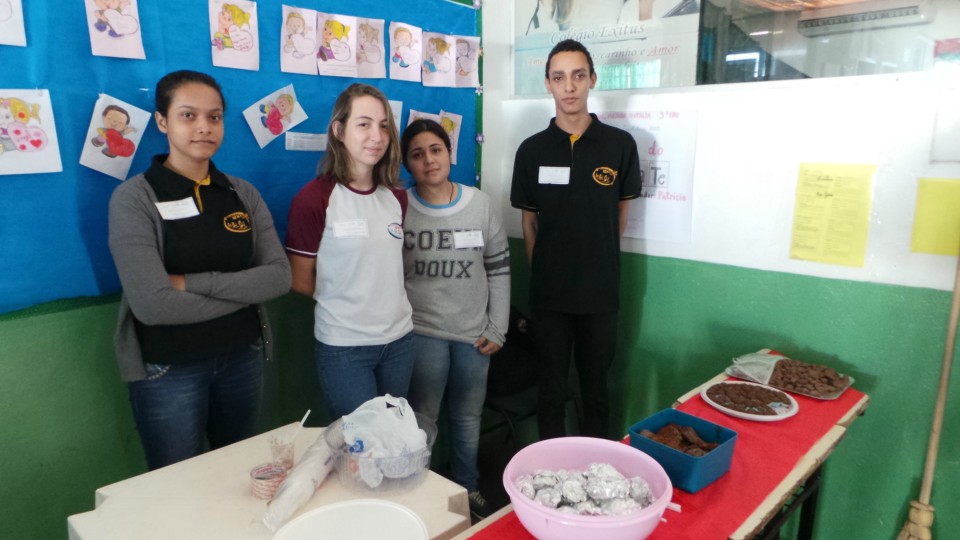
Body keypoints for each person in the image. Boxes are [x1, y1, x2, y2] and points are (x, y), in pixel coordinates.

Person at [107, 70, 291, 470]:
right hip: (170, 369)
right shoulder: (134, 199)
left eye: (215, 116)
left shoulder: (242, 193)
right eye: (188, 116)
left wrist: (190, 284)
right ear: (162, 122)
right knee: (176, 484)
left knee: (242, 474)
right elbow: (153, 305)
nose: (204, 127)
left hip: (243, 356)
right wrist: (243, 295)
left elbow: (279, 276)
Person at [510, 39, 641, 440]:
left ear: (592, 80)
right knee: (551, 390)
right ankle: (550, 476)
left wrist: (592, 260)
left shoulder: (620, 145)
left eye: (578, 76)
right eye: (559, 77)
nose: (569, 86)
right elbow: (529, 224)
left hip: (600, 295)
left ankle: (598, 468)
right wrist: (548, 270)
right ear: (548, 84)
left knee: (596, 390)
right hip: (550, 297)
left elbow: (619, 214)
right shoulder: (531, 151)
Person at [400, 119, 510, 521]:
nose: (428, 159)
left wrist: (498, 327)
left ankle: (468, 489)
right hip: (421, 333)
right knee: (421, 421)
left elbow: (499, 268)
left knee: (467, 417)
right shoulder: (400, 206)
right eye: (417, 154)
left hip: (474, 335)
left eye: (436, 150)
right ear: (407, 164)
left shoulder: (479, 203)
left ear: (450, 154)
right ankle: (424, 499)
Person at [285, 83, 414, 420]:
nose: (377, 135)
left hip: (399, 342)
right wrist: (351, 306)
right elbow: (300, 281)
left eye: (384, 125)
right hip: (345, 348)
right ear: (339, 130)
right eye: (364, 124)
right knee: (364, 446)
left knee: (395, 440)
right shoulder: (313, 199)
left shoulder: (396, 197)